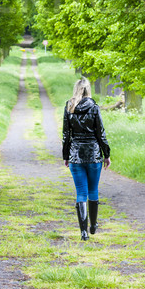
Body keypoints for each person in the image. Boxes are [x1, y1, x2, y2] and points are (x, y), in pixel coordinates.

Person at [62, 76, 111, 240]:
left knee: (81, 192)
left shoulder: (69, 107)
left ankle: (83, 232)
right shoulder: (94, 107)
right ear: (88, 90)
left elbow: (66, 134)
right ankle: (93, 225)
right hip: (94, 155)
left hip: (76, 155)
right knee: (93, 190)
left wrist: (66, 155)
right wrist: (106, 154)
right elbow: (100, 133)